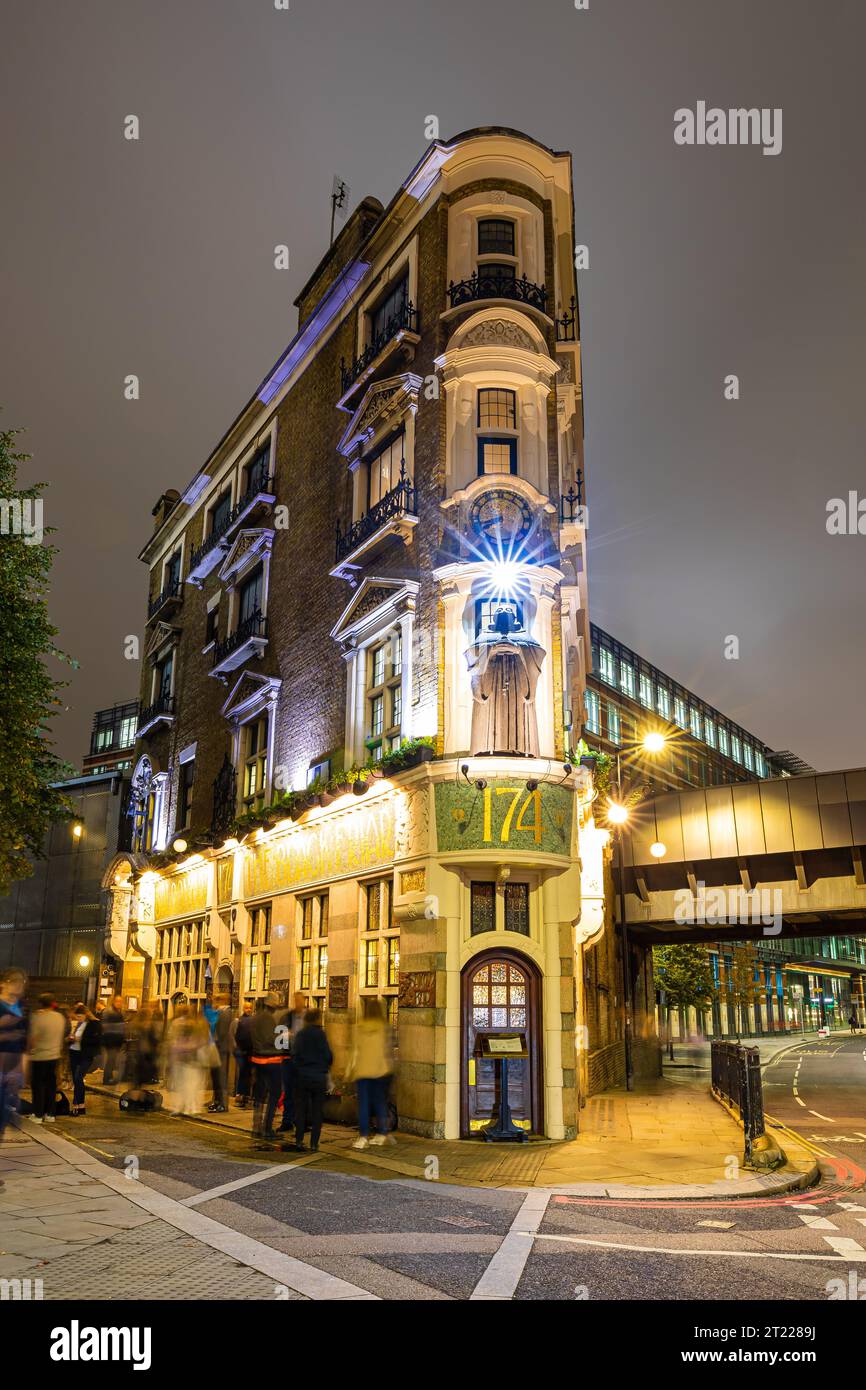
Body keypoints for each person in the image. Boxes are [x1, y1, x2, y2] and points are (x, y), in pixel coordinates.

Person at [348, 999, 395, 1150]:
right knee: (380, 1102)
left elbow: (355, 1051)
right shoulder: (384, 1028)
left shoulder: (358, 1028)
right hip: (380, 1070)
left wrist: (349, 1069)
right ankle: (381, 1134)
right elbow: (388, 1049)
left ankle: (363, 1137)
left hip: (363, 1070)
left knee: (363, 1105)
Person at [287, 1008, 332, 1153]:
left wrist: (299, 1068)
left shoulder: (301, 1035)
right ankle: (314, 1142)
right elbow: (328, 1056)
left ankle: (299, 1140)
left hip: (303, 1076)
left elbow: (294, 1054)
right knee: (317, 1111)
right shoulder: (321, 1035)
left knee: (301, 1110)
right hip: (318, 1077)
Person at [0, 969, 28, 1159]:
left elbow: (27, 1043)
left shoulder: (23, 1007)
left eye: (22, 981)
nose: (19, 985)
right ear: (3, 983)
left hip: (13, 1069)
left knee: (3, 1117)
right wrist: (5, 1031)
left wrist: (22, 1072)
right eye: (14, 981)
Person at [27, 993, 67, 1123]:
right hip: (54, 1056)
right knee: (51, 1086)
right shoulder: (60, 1017)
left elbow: (33, 1038)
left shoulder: (38, 1017)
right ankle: (50, 1114)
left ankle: (37, 1114)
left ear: (40, 1003)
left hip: (39, 1056)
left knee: (38, 1086)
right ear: (53, 1003)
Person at [249, 994, 283, 1148]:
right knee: (274, 1094)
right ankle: (267, 1128)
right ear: (273, 1005)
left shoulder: (255, 1018)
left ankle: (256, 1127)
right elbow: (271, 1038)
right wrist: (284, 1036)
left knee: (259, 1095)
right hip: (270, 1060)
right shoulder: (268, 1019)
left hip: (257, 1059)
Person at [166, 1005, 208, 1115]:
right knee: (192, 1084)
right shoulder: (196, 1025)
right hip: (192, 1059)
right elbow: (201, 1041)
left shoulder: (176, 1023)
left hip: (179, 1058)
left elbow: (171, 1040)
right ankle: (191, 1107)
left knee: (181, 1085)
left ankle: (181, 1107)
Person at [277, 991, 306, 1135]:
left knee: (301, 1093)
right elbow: (278, 1038)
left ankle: (301, 1121)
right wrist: (285, 1036)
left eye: (300, 1000)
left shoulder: (308, 1018)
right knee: (288, 1092)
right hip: (288, 1059)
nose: (298, 1002)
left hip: (302, 1060)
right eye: (296, 1000)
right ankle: (287, 1121)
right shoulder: (287, 1017)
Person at [68, 1004, 101, 1115]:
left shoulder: (94, 1024)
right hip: (74, 1052)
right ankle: (81, 1105)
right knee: (77, 1080)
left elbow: (96, 1041)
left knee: (78, 1077)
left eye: (80, 1017)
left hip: (86, 1054)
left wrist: (81, 1038)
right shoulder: (77, 1024)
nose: (78, 1019)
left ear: (86, 1015)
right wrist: (70, 1038)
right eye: (77, 1017)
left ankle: (75, 1104)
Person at [100, 995, 127, 1085]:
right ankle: (107, 1079)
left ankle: (109, 1077)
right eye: (117, 1001)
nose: (119, 1003)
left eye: (120, 1001)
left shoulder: (120, 1012)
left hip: (116, 1039)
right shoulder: (109, 1012)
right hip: (111, 1039)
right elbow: (105, 1026)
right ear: (113, 1002)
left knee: (112, 1059)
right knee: (111, 1059)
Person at [232, 1002, 254, 1107]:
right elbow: (234, 1036)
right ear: (243, 1008)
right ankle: (240, 1095)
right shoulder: (238, 1020)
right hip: (241, 1051)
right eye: (246, 1008)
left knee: (247, 1074)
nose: (248, 1009)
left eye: (250, 1008)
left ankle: (245, 1096)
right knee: (243, 1073)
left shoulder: (253, 1020)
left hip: (249, 1051)